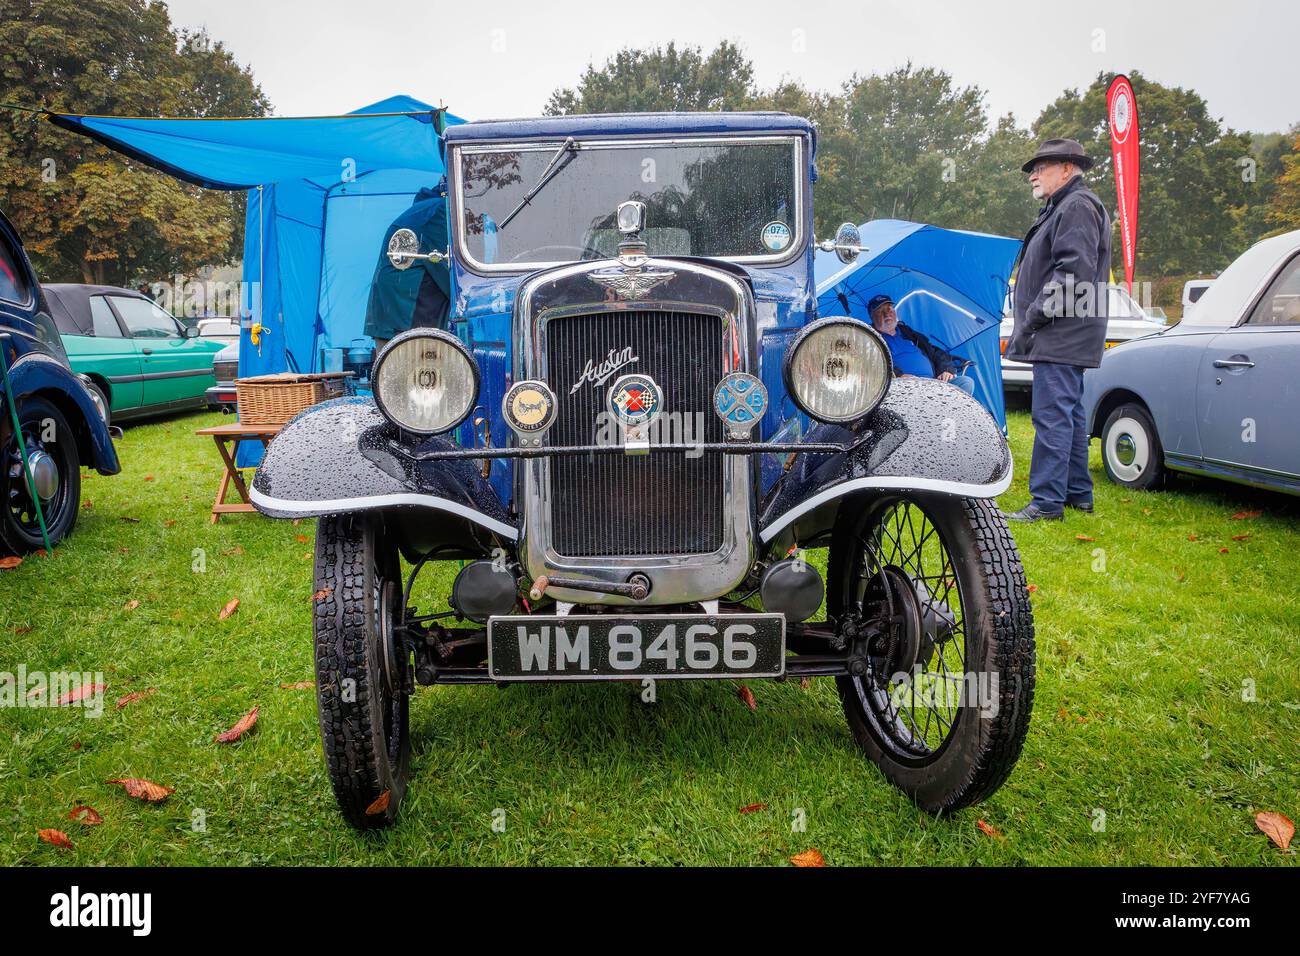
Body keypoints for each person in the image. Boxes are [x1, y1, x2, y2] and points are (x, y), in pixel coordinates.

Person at [1003, 138, 1111, 522]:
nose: (1032, 174)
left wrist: (1032, 319)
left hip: (1061, 332)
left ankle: (1046, 503)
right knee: (1069, 414)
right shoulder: (1067, 205)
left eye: (1040, 166)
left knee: (1052, 416)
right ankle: (1078, 494)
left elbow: (1071, 276)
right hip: (1068, 332)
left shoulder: (1076, 206)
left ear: (1067, 168)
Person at [364, 185, 452, 352]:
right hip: (408, 322)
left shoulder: (424, 210)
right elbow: (454, 279)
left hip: (395, 319)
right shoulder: (438, 213)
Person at [866, 294, 975, 395]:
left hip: (934, 383)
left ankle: (942, 412)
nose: (886, 314)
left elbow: (937, 352)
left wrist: (946, 370)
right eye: (880, 311)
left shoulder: (909, 333)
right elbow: (873, 366)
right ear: (872, 317)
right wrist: (898, 375)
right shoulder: (870, 341)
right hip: (904, 390)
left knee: (966, 382)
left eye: (889, 309)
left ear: (894, 312)